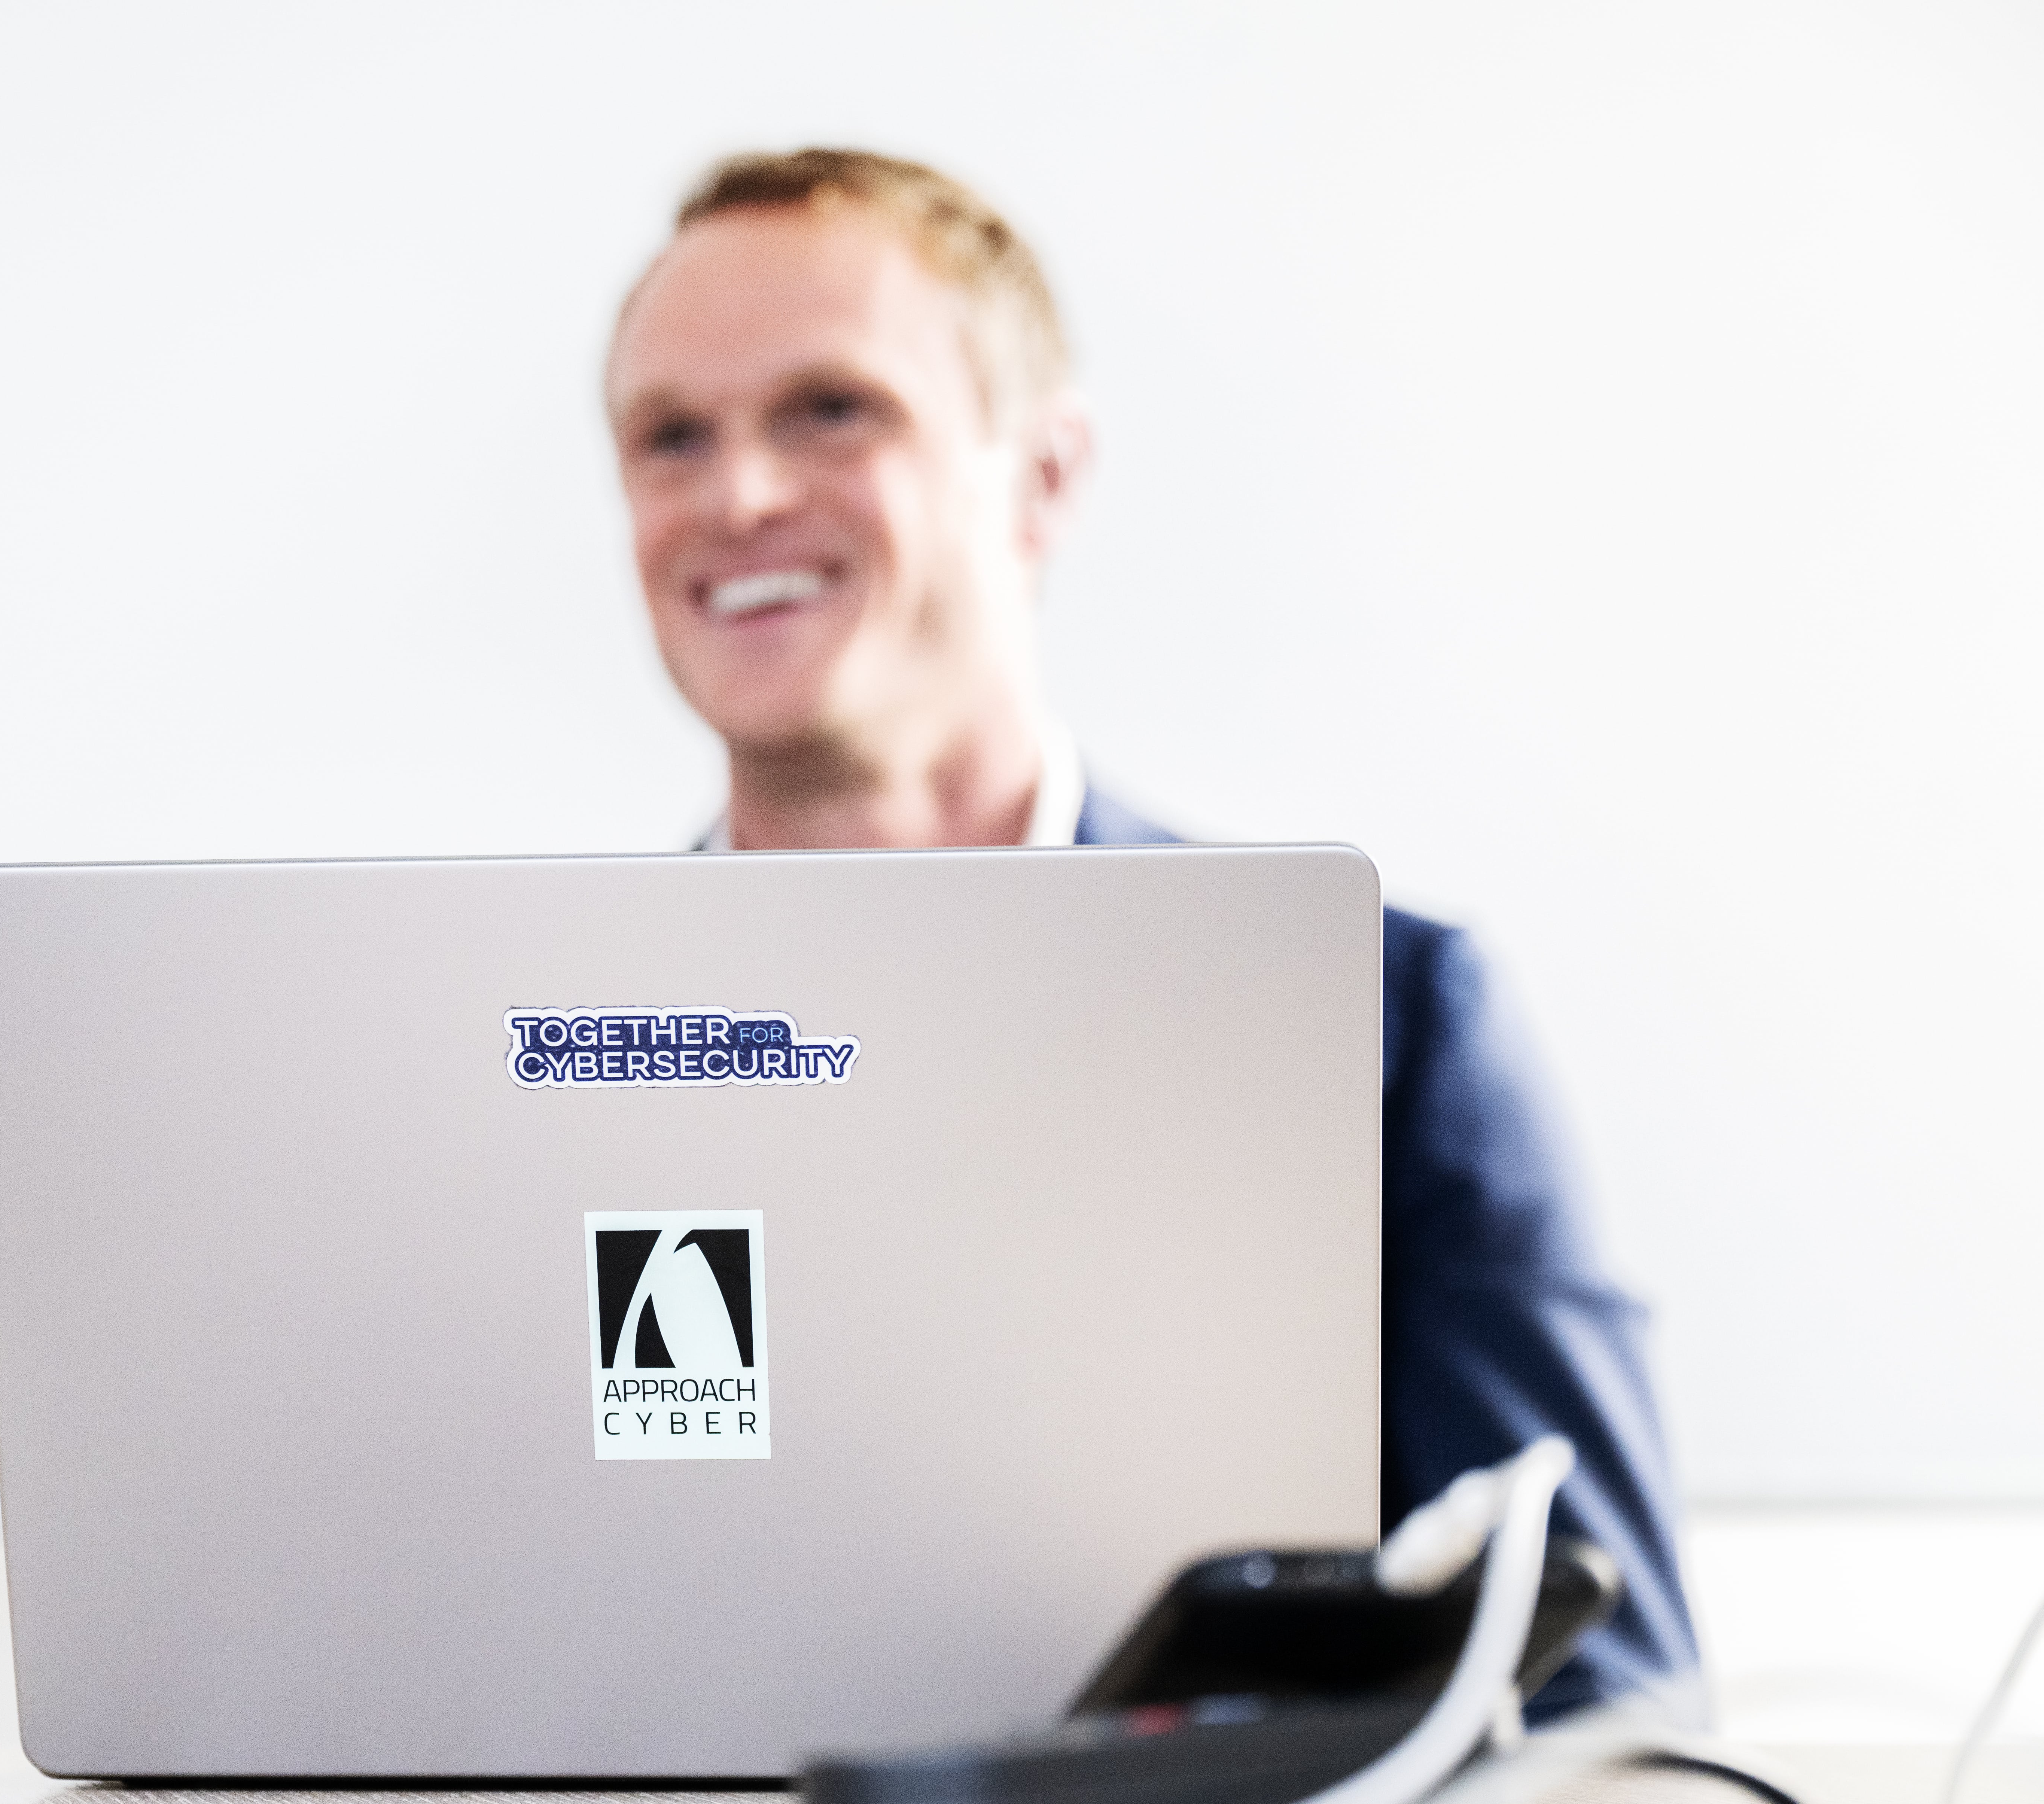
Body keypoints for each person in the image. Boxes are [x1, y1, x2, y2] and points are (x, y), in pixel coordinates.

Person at [605, 147, 1700, 1717]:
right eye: (671, 437)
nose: (740, 495)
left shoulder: (1376, 1023)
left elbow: (1615, 1709)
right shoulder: (509, 1073)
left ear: (1043, 475)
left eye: (832, 408)